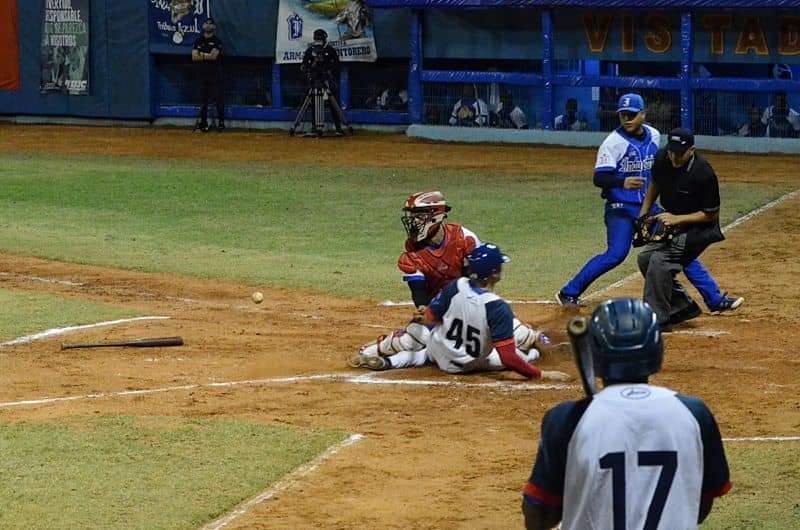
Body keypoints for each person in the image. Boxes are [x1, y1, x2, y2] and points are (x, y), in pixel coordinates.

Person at [523, 298, 731, 530]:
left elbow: (538, 515)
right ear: (656, 350)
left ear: (595, 353)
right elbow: (700, 505)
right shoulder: (694, 413)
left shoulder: (567, 419)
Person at [556, 94, 742, 321]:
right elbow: (599, 178)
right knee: (616, 254)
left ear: (643, 114)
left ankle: (714, 299)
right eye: (623, 115)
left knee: (680, 249)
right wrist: (620, 182)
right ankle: (569, 291)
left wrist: (649, 211)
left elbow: (656, 176)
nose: (627, 119)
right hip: (620, 208)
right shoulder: (612, 143)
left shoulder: (654, 136)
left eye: (632, 115)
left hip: (646, 208)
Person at [351, 191, 547, 363]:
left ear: (435, 216)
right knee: (414, 338)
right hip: (439, 311)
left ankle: (549, 344)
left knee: (521, 334)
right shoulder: (411, 255)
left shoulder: (464, 238)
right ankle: (372, 350)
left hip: (471, 302)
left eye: (418, 217)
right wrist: (423, 308)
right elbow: (418, 289)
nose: (413, 222)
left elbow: (480, 278)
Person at [351, 244, 570, 382]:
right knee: (524, 348)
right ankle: (541, 346)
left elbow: (429, 318)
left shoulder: (457, 285)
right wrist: (541, 374)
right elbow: (508, 357)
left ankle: (385, 360)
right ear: (494, 274)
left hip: (439, 352)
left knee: (423, 350)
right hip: (470, 365)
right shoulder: (498, 307)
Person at [638, 128, 737, 331]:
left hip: (700, 229)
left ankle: (658, 319)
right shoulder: (663, 158)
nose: (674, 157)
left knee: (660, 259)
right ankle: (681, 307)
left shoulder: (703, 173)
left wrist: (677, 219)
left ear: (691, 150)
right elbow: (655, 184)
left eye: (679, 153)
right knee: (645, 259)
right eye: (671, 151)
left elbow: (711, 214)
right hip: (676, 223)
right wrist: (643, 215)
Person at [300, 29, 344, 136]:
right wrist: (313, 64)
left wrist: (328, 70)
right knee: (315, 103)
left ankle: (338, 128)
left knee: (334, 104)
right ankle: (315, 127)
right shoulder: (310, 50)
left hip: (328, 81)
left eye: (320, 38)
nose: (318, 41)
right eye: (317, 38)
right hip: (315, 81)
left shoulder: (330, 50)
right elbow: (304, 65)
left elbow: (337, 64)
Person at [192, 17, 225, 132]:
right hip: (202, 75)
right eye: (206, 23)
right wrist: (207, 55)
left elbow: (213, 56)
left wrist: (201, 54)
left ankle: (221, 123)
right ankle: (204, 123)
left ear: (214, 27)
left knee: (218, 99)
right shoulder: (198, 41)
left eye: (211, 24)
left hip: (215, 75)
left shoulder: (217, 41)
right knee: (203, 100)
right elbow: (194, 57)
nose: (208, 25)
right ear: (203, 26)